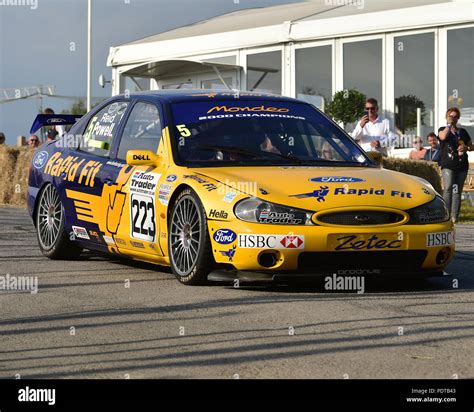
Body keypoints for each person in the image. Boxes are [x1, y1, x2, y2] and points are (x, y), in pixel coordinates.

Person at [438, 107, 473, 223]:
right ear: (447, 117)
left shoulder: (462, 132)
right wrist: (449, 125)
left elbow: (472, 146)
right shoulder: (443, 129)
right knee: (448, 188)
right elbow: (442, 137)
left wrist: (466, 147)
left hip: (462, 164)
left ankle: (454, 217)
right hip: (448, 164)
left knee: (457, 190)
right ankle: (446, 215)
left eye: (455, 116)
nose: (453, 118)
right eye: (450, 116)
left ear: (458, 118)